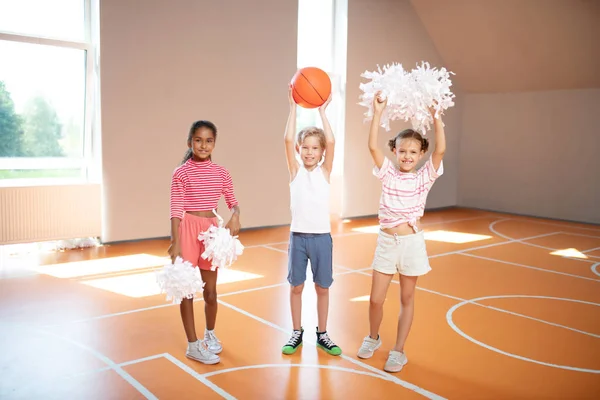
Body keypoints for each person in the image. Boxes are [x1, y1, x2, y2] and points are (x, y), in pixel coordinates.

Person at [357, 92, 446, 372]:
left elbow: (441, 150)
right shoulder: (388, 173)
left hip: (411, 245)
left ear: (421, 155)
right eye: (402, 150)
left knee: (407, 298)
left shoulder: (424, 177)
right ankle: (373, 337)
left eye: (413, 152)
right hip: (387, 242)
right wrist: (377, 113)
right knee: (376, 299)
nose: (407, 156)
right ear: (395, 151)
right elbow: (372, 146)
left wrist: (436, 116)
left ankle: (399, 350)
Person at [168, 120, 241, 364]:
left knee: (210, 292)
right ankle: (192, 345)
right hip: (187, 229)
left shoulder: (221, 172)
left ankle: (210, 334)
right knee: (187, 289)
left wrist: (236, 216)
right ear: (190, 142)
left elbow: (232, 199)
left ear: (214, 144)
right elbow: (176, 208)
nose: (203, 145)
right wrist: (175, 241)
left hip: (211, 233)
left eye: (208, 140)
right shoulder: (181, 172)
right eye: (198, 140)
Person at [281, 85, 341, 356]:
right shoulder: (295, 171)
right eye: (305, 147)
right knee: (296, 287)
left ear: (321, 152)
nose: (309, 152)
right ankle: (296, 331)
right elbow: (286, 140)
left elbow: (332, 142)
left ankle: (322, 334)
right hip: (298, 238)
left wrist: (322, 112)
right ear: (298, 149)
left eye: (314, 148)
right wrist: (293, 107)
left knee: (322, 287)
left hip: (321, 238)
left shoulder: (325, 172)